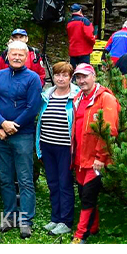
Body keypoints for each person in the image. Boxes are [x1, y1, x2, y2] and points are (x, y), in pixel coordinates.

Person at [0, 40, 43, 238]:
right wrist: (2, 124)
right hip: (1, 134)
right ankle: (9, 216)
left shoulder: (33, 78)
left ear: (26, 56)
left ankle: (26, 219)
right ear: (7, 56)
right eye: (14, 54)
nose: (17, 57)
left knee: (25, 179)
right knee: (4, 177)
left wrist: (12, 127)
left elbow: (33, 107)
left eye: (21, 54)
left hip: (23, 135)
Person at [70, 64, 120, 243]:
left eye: (85, 77)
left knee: (88, 197)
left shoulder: (105, 99)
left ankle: (80, 235)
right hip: (79, 158)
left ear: (93, 76)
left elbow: (109, 130)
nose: (81, 81)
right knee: (84, 194)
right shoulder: (78, 98)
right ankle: (93, 227)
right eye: (78, 77)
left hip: (96, 159)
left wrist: (101, 156)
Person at [35, 61, 79, 237]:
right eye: (58, 75)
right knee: (52, 183)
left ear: (70, 77)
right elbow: (40, 121)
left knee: (64, 184)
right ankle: (55, 217)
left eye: (64, 75)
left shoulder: (76, 96)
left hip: (65, 148)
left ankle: (66, 221)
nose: (60, 78)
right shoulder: (47, 95)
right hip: (47, 145)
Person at [66, 4, 95, 69]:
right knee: (84, 71)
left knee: (73, 71)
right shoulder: (84, 21)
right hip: (84, 51)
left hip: (73, 51)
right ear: (80, 11)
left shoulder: (69, 22)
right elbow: (89, 35)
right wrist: (93, 42)